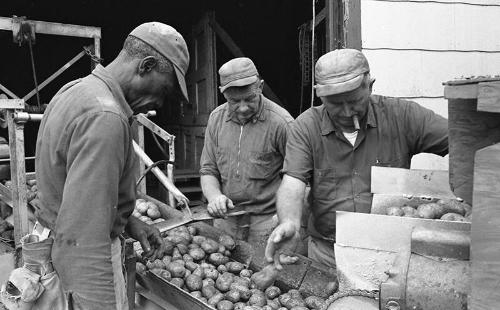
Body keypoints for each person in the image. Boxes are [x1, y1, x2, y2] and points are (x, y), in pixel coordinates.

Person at [32, 22, 190, 309]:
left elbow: (78, 192)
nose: (160, 102)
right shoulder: (106, 117)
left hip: (57, 250)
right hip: (81, 263)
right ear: (146, 65)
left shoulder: (76, 91)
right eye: (164, 90)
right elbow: (84, 240)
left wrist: (129, 221)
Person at [265, 49, 448, 269]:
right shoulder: (306, 126)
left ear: (369, 86)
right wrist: (289, 222)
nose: (345, 111)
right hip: (327, 253)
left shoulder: (402, 116)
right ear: (320, 95)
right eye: (334, 103)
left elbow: (461, 141)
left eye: (353, 101)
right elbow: (293, 182)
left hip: (390, 254)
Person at [200, 57, 293, 248]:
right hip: (226, 218)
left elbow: (299, 177)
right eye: (234, 101)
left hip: (267, 219)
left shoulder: (281, 123)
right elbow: (208, 169)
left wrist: (286, 218)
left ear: (260, 86)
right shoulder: (216, 119)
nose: (242, 107)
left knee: (266, 273)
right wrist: (214, 197)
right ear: (223, 93)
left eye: (250, 99)